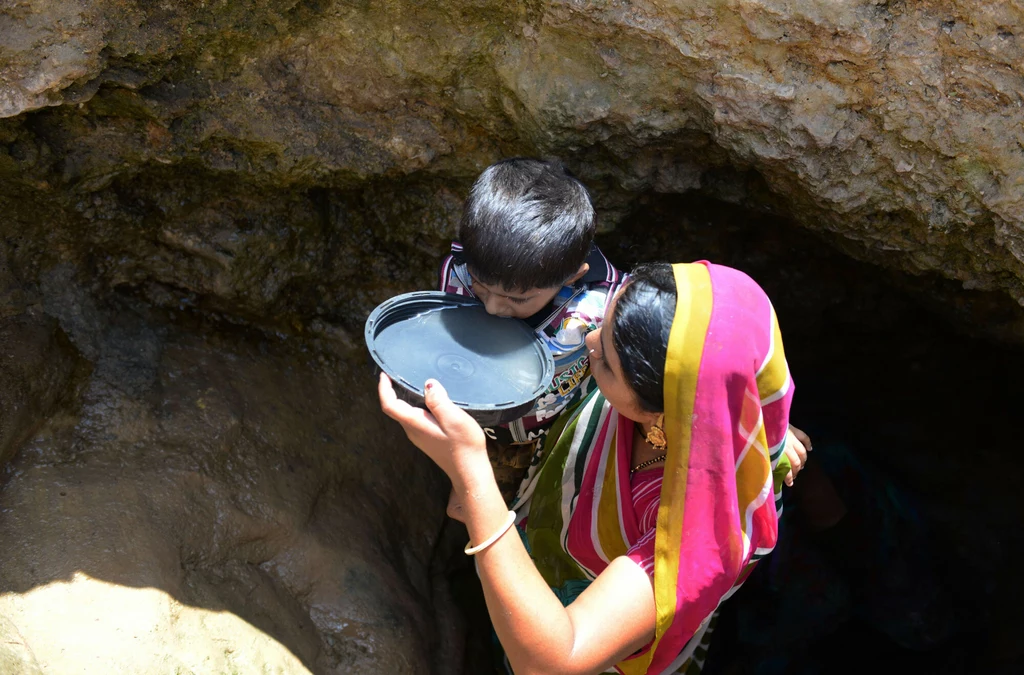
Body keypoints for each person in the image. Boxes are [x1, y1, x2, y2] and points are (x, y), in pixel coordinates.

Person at [381, 261, 795, 674]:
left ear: (666, 417)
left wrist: (472, 475)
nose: (590, 340)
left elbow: (553, 661)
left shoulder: (702, 537)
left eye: (609, 366)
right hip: (535, 560)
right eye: (607, 321)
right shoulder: (706, 400)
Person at [438, 157, 626, 499]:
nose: (493, 307)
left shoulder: (603, 310)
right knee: (470, 495)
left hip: (553, 433)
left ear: (572, 277)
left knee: (541, 501)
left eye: (516, 299)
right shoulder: (464, 269)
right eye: (482, 286)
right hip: (478, 424)